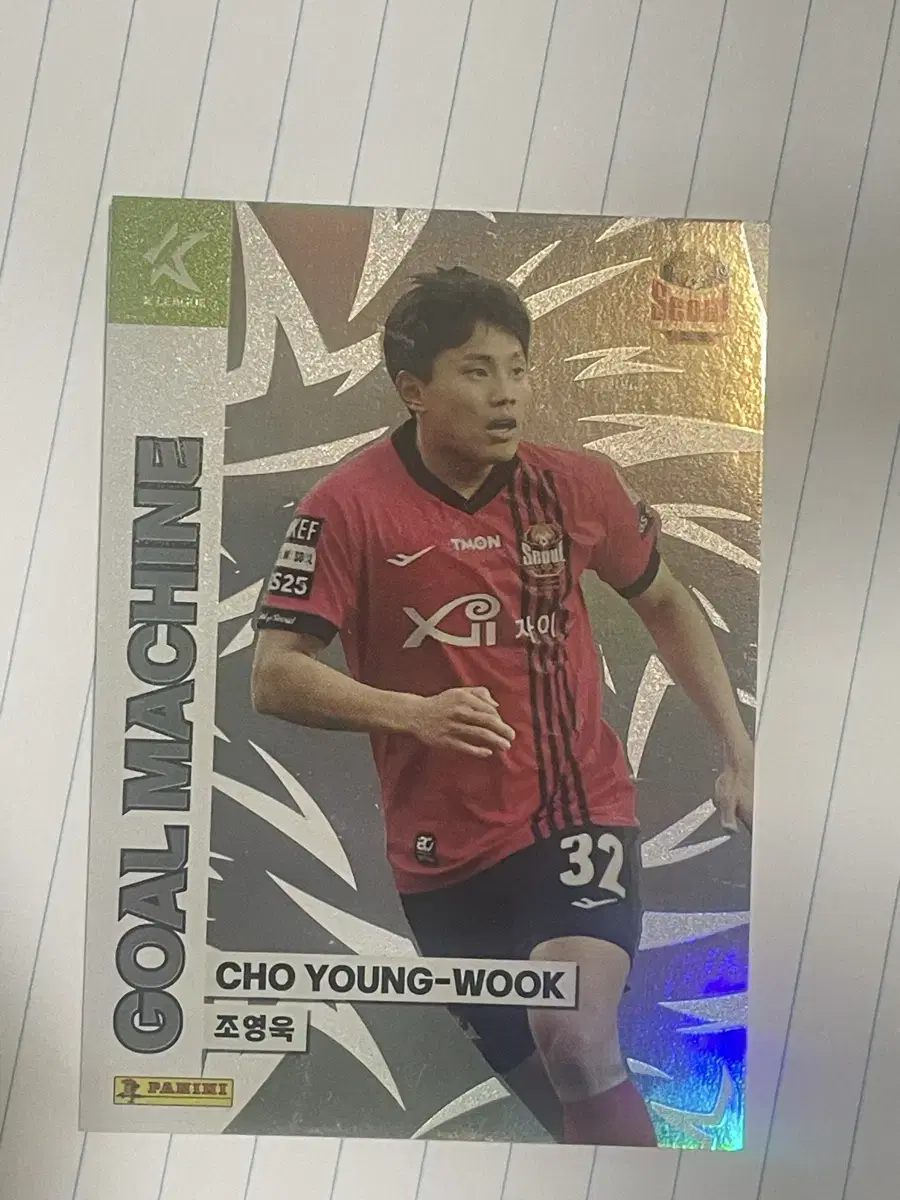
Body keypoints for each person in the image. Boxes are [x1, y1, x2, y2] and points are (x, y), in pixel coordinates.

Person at [251, 265, 754, 1146]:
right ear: (413, 389)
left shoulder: (575, 486)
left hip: (575, 815)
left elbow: (666, 601)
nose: (507, 393)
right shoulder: (345, 507)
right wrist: (413, 714)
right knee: (565, 1107)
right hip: (440, 859)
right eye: (477, 371)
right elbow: (277, 676)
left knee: (577, 1042)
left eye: (518, 369)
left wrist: (737, 748)